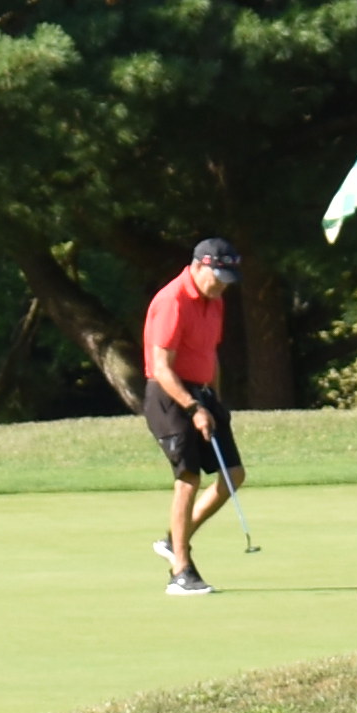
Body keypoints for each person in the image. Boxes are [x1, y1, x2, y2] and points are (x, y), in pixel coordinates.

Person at [141, 236, 246, 594]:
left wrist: (213, 399)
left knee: (233, 474)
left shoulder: (214, 300)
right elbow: (161, 367)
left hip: (200, 392)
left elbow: (209, 353)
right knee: (188, 477)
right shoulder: (172, 301)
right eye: (217, 278)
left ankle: (175, 540)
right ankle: (180, 572)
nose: (221, 288)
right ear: (199, 266)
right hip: (168, 397)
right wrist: (193, 407)